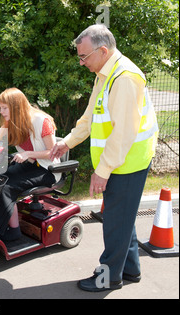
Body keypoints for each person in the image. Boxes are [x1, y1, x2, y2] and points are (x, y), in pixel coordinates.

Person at [50, 24, 158, 292]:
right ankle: (130, 269)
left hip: (127, 163)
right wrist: (67, 142)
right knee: (122, 218)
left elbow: (123, 133)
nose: (81, 62)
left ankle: (109, 277)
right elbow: (90, 117)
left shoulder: (124, 78)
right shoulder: (104, 74)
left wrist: (103, 170)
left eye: (84, 56)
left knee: (114, 221)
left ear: (103, 50)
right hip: (121, 162)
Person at [0, 87, 61, 242]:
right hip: (31, 165)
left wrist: (28, 154)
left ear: (16, 107)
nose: (1, 112)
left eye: (4, 108)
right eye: (0, 108)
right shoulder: (15, 120)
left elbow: (52, 152)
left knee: (7, 187)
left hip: (47, 169)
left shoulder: (42, 121)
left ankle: (12, 231)